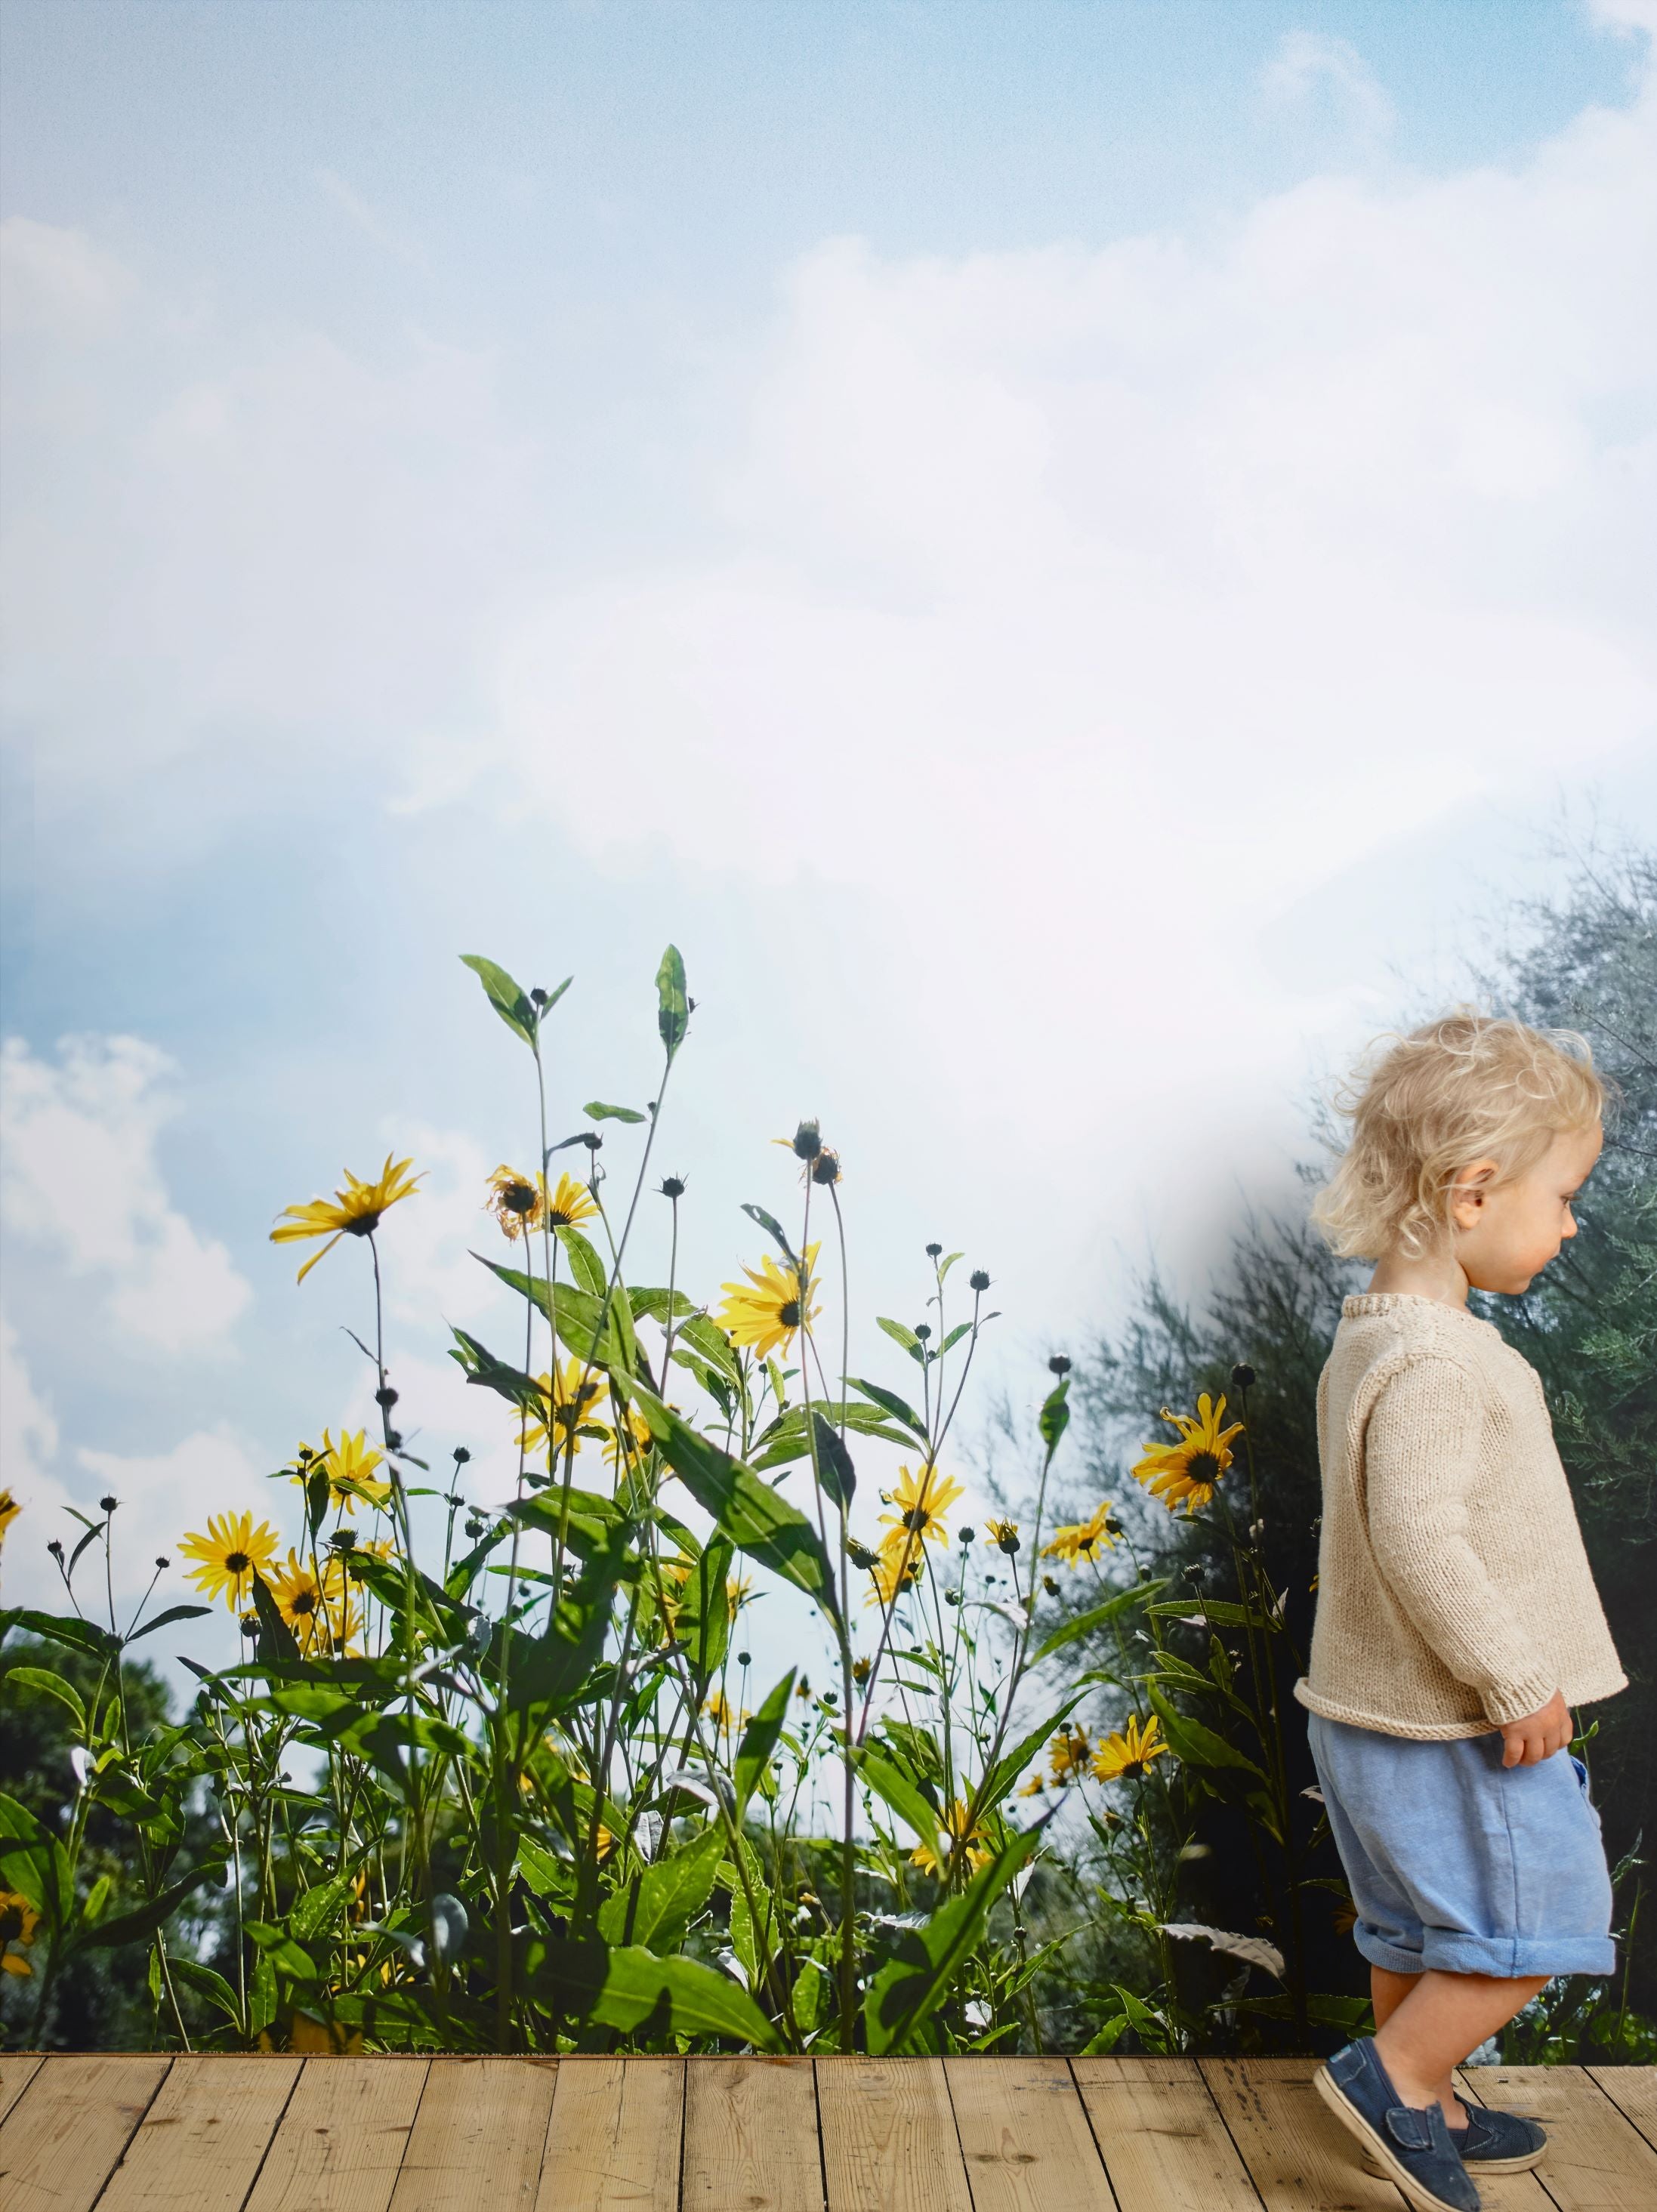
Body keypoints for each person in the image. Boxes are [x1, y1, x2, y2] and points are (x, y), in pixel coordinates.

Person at [1297, 1010, 1625, 2212]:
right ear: (1473, 1192)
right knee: (1539, 1920)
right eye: (1562, 1193)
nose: (1571, 1220)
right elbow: (1419, 1537)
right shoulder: (1435, 1362)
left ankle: (1425, 2099)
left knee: (1416, 1925)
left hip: (1370, 1713)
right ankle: (1392, 2077)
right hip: (1452, 1726)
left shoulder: (1372, 1336)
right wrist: (1511, 1677)